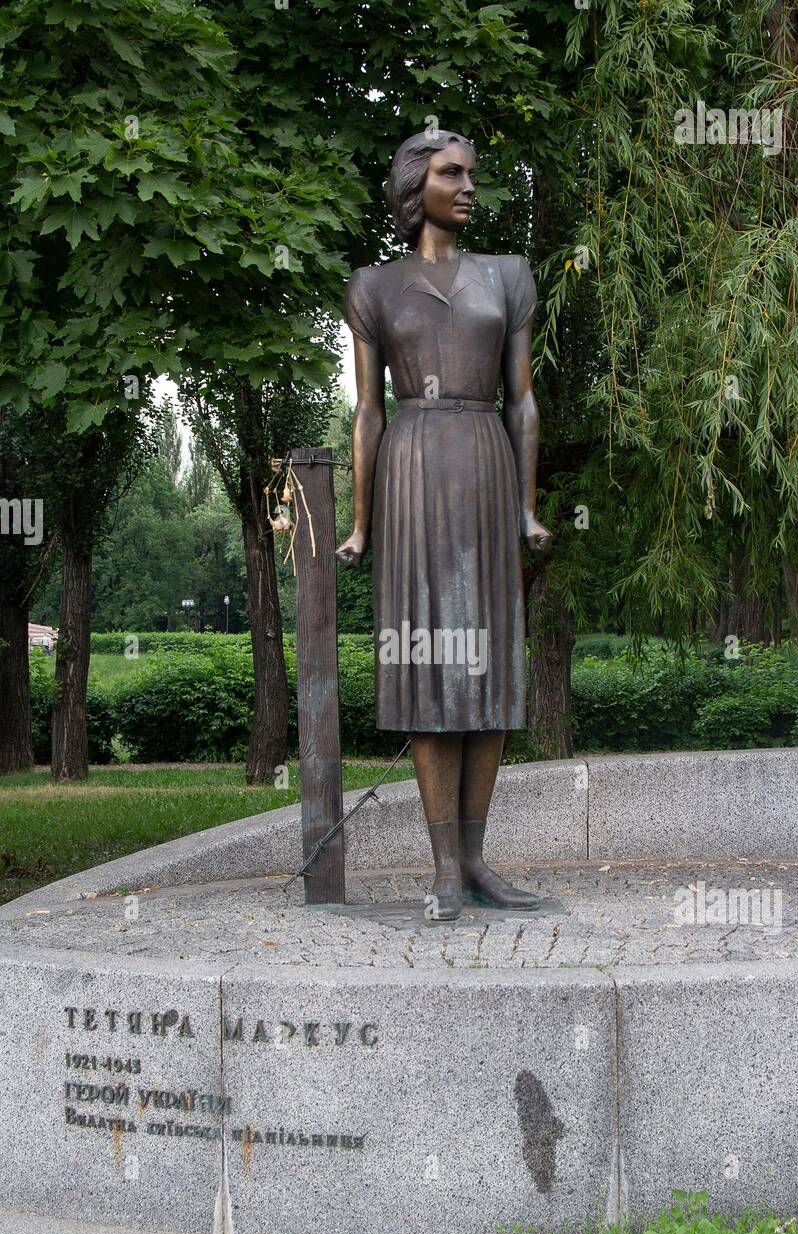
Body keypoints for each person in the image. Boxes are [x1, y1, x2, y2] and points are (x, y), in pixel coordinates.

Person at [337, 129, 552, 921]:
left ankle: (475, 860)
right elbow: (367, 412)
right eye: (450, 173)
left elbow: (523, 399)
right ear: (412, 186)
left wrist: (528, 507)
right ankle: (440, 867)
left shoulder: (509, 277)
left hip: (486, 462)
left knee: (489, 666)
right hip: (414, 467)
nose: (468, 186)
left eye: (472, 174)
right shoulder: (374, 287)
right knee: (430, 666)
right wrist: (360, 524)